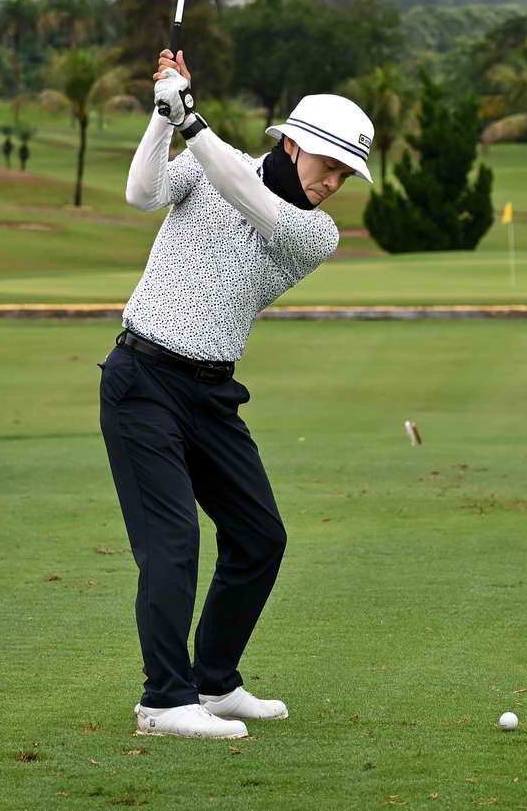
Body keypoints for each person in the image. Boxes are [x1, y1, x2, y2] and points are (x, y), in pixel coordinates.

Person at [98, 49, 373, 740]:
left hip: (212, 395)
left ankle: (214, 682)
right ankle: (164, 701)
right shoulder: (207, 161)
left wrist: (190, 119)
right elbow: (141, 192)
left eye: (344, 175)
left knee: (259, 537)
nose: (333, 183)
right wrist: (164, 116)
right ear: (292, 144)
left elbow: (248, 195)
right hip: (142, 380)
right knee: (173, 543)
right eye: (329, 165)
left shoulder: (316, 233)